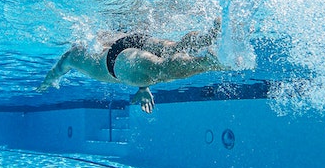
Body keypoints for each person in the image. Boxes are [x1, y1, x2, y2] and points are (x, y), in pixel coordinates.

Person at [37, 18, 226, 113]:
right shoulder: (99, 36)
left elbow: (56, 72)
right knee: (176, 47)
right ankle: (209, 37)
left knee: (159, 69)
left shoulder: (72, 56)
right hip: (133, 38)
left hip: (113, 61)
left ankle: (209, 62)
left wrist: (45, 85)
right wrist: (143, 88)